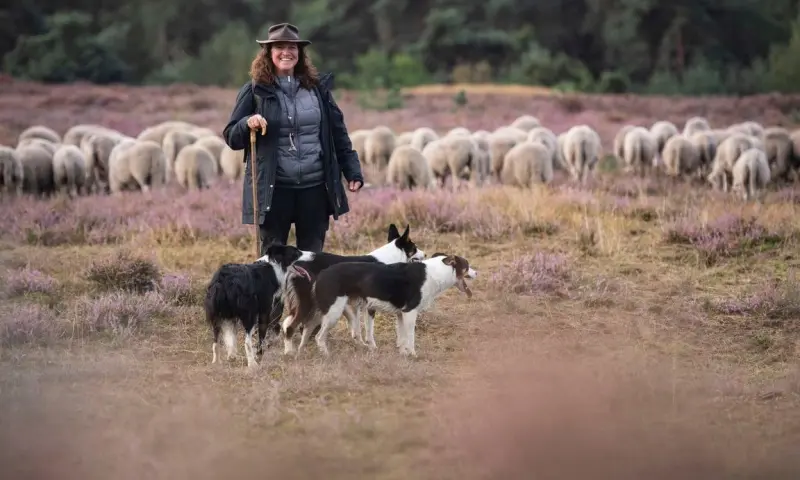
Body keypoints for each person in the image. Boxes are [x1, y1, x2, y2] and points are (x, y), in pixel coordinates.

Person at [223, 22, 364, 256]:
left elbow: (338, 133)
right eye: (279, 46)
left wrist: (353, 171)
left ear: (300, 53)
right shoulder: (256, 91)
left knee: (311, 260)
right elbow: (231, 136)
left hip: (315, 188)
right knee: (272, 262)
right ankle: (275, 295)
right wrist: (247, 123)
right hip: (275, 190)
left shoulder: (318, 90)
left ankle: (305, 295)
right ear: (269, 53)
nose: (286, 52)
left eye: (292, 47)